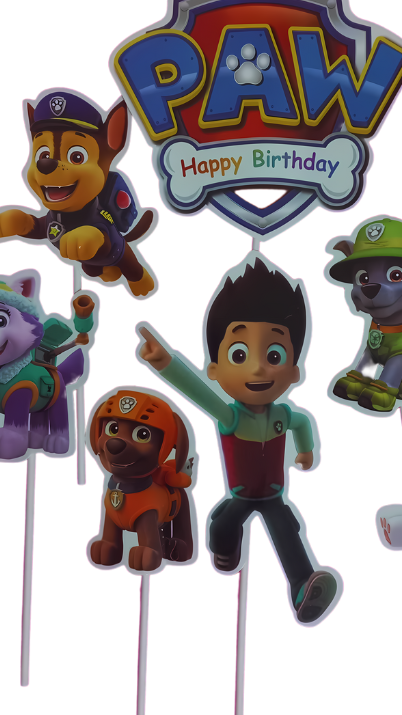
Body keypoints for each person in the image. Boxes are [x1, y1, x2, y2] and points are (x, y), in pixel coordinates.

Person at [138, 257, 340, 625]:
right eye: (239, 354)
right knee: (222, 525)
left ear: (294, 370)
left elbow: (302, 423)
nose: (259, 368)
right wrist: (165, 362)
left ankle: (303, 586)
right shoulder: (230, 416)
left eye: (274, 355)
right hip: (241, 495)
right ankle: (225, 551)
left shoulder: (283, 415)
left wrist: (307, 450)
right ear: (215, 368)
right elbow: (198, 392)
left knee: (287, 532)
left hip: (274, 494)